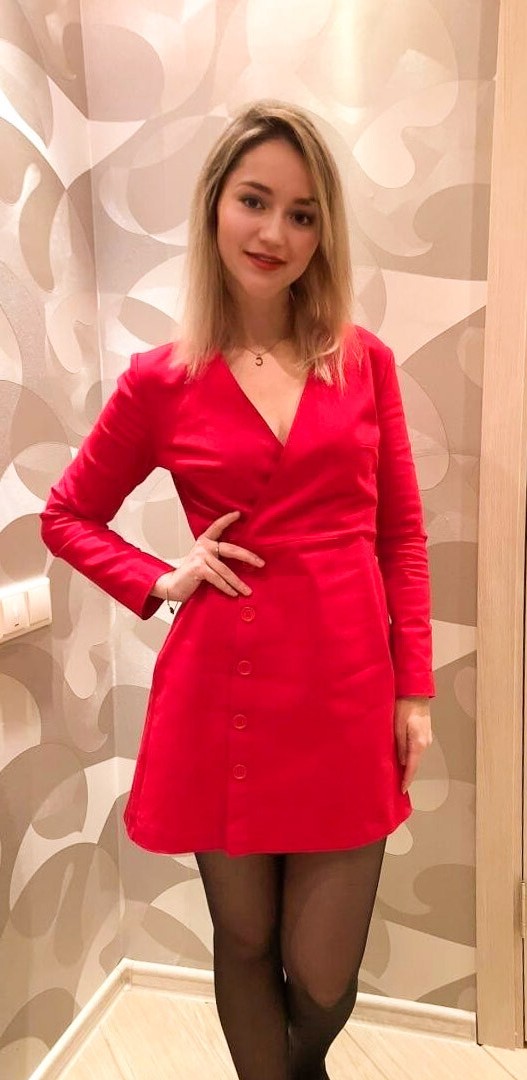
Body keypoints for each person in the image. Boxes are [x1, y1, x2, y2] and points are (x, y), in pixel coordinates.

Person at [41, 100, 434, 1080]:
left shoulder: (363, 362)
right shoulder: (160, 381)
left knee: (323, 976)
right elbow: (68, 516)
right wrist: (159, 578)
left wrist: (414, 689)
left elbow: (400, 536)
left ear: (323, 232)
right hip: (226, 693)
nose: (274, 233)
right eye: (254, 201)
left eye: (302, 214)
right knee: (248, 943)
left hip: (346, 691)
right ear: (214, 205)